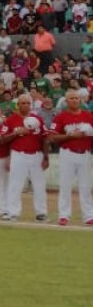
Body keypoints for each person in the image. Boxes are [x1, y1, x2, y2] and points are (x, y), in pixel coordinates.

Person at [48, 90, 93, 226]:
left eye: (76, 98)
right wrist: (70, 136)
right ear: (66, 101)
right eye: (71, 98)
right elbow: (52, 137)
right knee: (65, 185)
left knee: (85, 186)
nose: (74, 100)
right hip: (67, 153)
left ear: (80, 100)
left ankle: (89, 216)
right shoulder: (61, 117)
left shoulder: (88, 116)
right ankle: (64, 215)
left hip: (84, 153)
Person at [4, 94, 48, 222]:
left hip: (36, 155)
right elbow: (3, 139)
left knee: (39, 185)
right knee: (15, 185)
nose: (26, 105)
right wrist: (16, 133)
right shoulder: (11, 120)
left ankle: (41, 213)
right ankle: (13, 212)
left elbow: (45, 138)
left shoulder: (38, 119)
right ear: (18, 105)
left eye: (28, 103)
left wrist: (46, 157)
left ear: (31, 105)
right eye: (23, 103)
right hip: (18, 154)